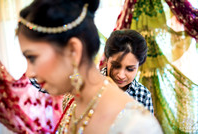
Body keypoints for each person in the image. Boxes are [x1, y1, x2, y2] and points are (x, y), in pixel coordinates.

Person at [16, 0, 163, 133]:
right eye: (116, 66)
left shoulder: (136, 125)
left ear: (73, 50)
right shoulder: (73, 100)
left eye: (32, 57)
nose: (29, 73)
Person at [102, 29, 154, 113]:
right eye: (116, 66)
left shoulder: (142, 95)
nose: (121, 75)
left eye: (130, 69)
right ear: (107, 59)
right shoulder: (92, 86)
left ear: (139, 66)